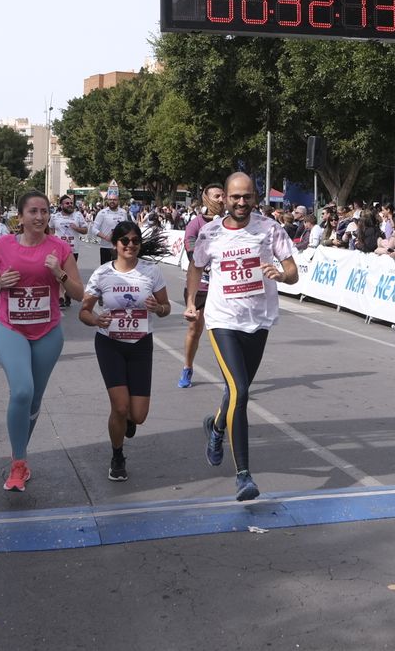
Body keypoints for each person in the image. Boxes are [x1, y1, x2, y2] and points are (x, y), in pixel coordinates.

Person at [184, 173, 298, 502]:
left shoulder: (269, 229)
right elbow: (195, 266)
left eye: (247, 196)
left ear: (255, 197)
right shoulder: (211, 232)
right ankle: (243, 475)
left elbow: (293, 272)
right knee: (241, 390)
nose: (240, 202)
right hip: (222, 320)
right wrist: (192, 302)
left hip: (258, 321)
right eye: (234, 197)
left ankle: (217, 427)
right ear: (224, 198)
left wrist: (281, 274)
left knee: (237, 391)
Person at [0, 191, 83, 492]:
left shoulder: (60, 247)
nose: (39, 217)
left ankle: (19, 455)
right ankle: (18, 463)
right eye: (33, 211)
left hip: (47, 331)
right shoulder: (3, 245)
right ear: (20, 216)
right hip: (10, 328)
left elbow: (80, 294)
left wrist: (59, 275)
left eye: (44, 211)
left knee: (35, 399)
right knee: (22, 390)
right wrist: (0, 282)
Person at [79, 221, 172, 482]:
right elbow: (84, 312)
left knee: (138, 415)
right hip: (110, 344)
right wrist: (97, 320)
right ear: (115, 244)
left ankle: (128, 421)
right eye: (125, 241)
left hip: (141, 344)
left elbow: (166, 309)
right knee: (119, 407)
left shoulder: (151, 272)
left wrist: (158, 308)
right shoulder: (101, 274)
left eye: (135, 241)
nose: (131, 245)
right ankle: (117, 455)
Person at [179, 185, 224, 388]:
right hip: (201, 287)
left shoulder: (230, 222)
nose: (221, 199)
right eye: (217, 195)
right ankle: (187, 368)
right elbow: (191, 253)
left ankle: (230, 377)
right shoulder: (195, 224)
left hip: (223, 288)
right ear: (206, 198)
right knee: (194, 330)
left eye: (223, 195)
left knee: (224, 333)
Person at [50, 195, 90, 308]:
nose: (70, 205)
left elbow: (85, 230)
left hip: (73, 249)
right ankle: (60, 297)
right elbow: (50, 230)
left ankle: (67, 296)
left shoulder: (77, 216)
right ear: (61, 205)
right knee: (58, 272)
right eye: (67, 203)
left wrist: (76, 228)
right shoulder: (55, 217)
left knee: (69, 274)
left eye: (71, 203)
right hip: (58, 250)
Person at [93, 191, 129, 266]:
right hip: (106, 247)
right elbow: (94, 229)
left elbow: (127, 228)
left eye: (114, 200)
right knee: (106, 271)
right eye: (110, 200)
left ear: (118, 201)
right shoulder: (102, 213)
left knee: (120, 269)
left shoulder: (123, 212)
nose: (112, 201)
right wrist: (106, 237)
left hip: (120, 246)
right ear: (107, 201)